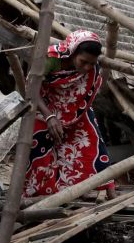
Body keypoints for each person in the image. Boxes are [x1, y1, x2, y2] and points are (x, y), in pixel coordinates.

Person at [24, 30, 116, 198]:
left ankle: (103, 191)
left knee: (92, 142)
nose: (87, 68)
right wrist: (49, 116)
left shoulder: (92, 67)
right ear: (73, 52)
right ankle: (41, 194)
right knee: (38, 140)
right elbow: (31, 88)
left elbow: (87, 90)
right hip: (44, 106)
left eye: (91, 63)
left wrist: (67, 115)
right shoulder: (51, 58)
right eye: (83, 62)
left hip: (75, 110)